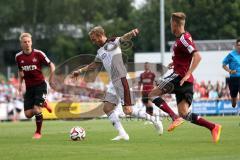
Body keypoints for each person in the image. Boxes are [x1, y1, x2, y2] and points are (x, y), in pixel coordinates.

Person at [71, 26, 163, 141]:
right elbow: (94, 65)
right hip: (113, 82)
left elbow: (124, 38)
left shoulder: (113, 42)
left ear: (100, 35)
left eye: (94, 39)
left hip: (122, 79)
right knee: (107, 108)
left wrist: (131, 33)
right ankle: (123, 134)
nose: (93, 42)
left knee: (128, 111)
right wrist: (79, 71)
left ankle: (154, 120)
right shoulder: (100, 51)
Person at [148, 12, 222, 143]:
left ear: (175, 24)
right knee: (184, 114)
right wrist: (175, 62)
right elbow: (186, 57)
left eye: (171, 24)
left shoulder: (183, 39)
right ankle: (213, 127)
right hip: (185, 81)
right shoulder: (184, 38)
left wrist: (187, 73)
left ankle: (174, 117)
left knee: (152, 94)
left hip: (179, 77)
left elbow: (197, 56)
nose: (170, 26)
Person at [15, 32, 55, 139]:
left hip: (40, 85)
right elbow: (21, 71)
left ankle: (38, 132)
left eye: (29, 41)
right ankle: (44, 104)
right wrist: (20, 83)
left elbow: (52, 65)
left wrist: (51, 79)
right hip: (29, 87)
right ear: (21, 44)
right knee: (28, 114)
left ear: (31, 42)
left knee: (37, 110)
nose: (27, 44)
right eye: (25, 42)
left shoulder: (38, 54)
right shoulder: (18, 57)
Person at [222, 39, 240, 108]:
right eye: (238, 45)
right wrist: (230, 71)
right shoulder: (231, 55)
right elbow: (223, 65)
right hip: (233, 79)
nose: (239, 46)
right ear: (236, 46)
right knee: (233, 103)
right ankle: (234, 102)